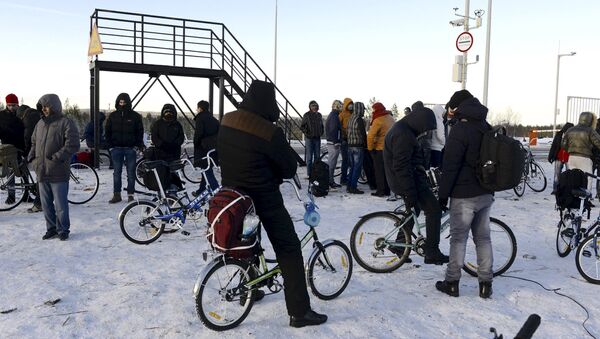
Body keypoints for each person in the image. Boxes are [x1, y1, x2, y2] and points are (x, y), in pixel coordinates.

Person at [217, 80, 327, 328]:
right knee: (289, 249)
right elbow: (288, 167)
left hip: (234, 198)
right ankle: (299, 312)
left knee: (249, 245)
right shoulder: (268, 130)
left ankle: (250, 290)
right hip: (265, 198)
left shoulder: (227, 120)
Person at [435, 89, 494, 298]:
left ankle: (452, 282)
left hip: (463, 195)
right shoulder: (486, 126)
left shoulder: (461, 129)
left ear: (458, 107)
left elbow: (450, 166)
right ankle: (486, 284)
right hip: (486, 192)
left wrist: (443, 195)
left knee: (458, 240)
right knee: (484, 239)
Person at [383, 103, 448, 264]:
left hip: (408, 179)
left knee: (414, 209)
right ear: (419, 122)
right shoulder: (403, 135)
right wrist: (410, 192)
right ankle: (432, 251)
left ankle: (399, 246)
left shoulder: (404, 130)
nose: (425, 132)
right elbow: (401, 167)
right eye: (425, 128)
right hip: (405, 181)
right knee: (433, 210)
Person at [28, 94, 80, 241]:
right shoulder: (40, 124)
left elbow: (72, 144)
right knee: (45, 204)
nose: (44, 109)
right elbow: (33, 143)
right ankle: (51, 228)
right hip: (42, 170)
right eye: (42, 106)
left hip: (58, 170)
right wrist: (32, 158)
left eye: (46, 106)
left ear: (54, 106)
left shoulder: (66, 122)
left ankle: (63, 229)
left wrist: (56, 158)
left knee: (60, 204)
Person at [105, 93, 144, 203]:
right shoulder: (112, 116)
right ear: (117, 102)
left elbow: (139, 132)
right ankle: (117, 195)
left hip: (130, 149)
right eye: (120, 102)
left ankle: (130, 194)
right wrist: (111, 147)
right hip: (116, 149)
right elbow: (107, 131)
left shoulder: (135, 116)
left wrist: (137, 146)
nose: (122, 104)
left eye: (124, 102)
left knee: (131, 173)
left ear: (128, 103)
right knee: (117, 173)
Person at [562, 112, 600, 191]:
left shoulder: (570, 130)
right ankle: (585, 199)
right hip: (585, 158)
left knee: (573, 177)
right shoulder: (590, 131)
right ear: (590, 120)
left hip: (571, 157)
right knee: (588, 178)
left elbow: (563, 144)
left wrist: (569, 150)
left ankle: (573, 197)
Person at [16, 104, 43, 212]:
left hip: (36, 151)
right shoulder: (34, 115)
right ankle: (38, 200)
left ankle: (38, 201)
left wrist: (26, 151)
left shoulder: (28, 118)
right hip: (39, 150)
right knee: (41, 176)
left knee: (41, 176)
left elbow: (28, 136)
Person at [0, 93, 25, 205]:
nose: (12, 107)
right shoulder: (1, 115)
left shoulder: (21, 114)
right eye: (10, 105)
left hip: (22, 146)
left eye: (14, 105)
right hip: (8, 147)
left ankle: (26, 194)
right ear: (7, 104)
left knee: (24, 170)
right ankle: (11, 196)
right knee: (11, 171)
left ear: (17, 104)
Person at [192, 100, 219, 195]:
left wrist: (196, 144)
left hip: (203, 149)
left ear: (200, 108)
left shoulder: (200, 119)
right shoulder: (214, 119)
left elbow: (198, 134)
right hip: (212, 149)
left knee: (206, 170)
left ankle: (216, 190)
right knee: (206, 168)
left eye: (197, 108)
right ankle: (201, 189)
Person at [367, 102, 394, 197]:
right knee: (387, 170)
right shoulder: (390, 118)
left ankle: (380, 191)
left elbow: (370, 136)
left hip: (380, 148)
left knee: (379, 171)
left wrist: (370, 149)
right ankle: (387, 190)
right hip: (390, 148)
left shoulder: (378, 120)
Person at [346, 101, 367, 194]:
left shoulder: (351, 118)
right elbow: (363, 134)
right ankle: (353, 187)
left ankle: (349, 186)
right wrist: (365, 144)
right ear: (360, 109)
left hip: (350, 146)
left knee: (352, 167)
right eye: (363, 109)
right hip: (358, 146)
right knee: (357, 168)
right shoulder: (359, 119)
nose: (363, 112)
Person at [300, 100, 323, 178]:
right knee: (309, 158)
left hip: (317, 138)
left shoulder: (319, 115)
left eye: (315, 105)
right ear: (310, 107)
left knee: (317, 157)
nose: (314, 107)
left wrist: (321, 132)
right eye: (312, 105)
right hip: (309, 139)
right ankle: (309, 174)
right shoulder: (306, 115)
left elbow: (321, 126)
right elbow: (302, 127)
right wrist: (307, 134)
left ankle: (316, 173)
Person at [549, 122, 574, 193]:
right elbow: (554, 146)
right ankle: (555, 189)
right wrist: (550, 156)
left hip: (569, 157)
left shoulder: (573, 136)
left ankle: (568, 190)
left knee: (569, 174)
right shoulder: (559, 134)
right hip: (559, 156)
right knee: (557, 174)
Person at [325, 100, 343, 188]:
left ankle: (330, 181)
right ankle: (329, 181)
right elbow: (333, 130)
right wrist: (336, 142)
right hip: (333, 142)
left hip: (332, 141)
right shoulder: (334, 116)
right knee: (332, 163)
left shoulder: (333, 115)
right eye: (341, 106)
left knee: (332, 162)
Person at [412, 101, 433, 169]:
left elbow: (425, 132)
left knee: (422, 166)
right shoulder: (428, 115)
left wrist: (416, 137)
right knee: (425, 165)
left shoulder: (422, 117)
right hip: (427, 144)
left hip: (423, 143)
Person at [338, 98, 354, 185]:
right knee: (345, 161)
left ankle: (348, 177)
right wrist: (343, 134)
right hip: (344, 140)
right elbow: (338, 126)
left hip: (351, 140)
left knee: (351, 161)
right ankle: (343, 179)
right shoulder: (342, 114)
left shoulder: (353, 114)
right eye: (349, 104)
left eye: (351, 104)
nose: (351, 105)